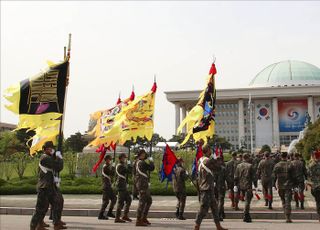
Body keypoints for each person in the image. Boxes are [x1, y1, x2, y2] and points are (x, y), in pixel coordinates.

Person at [30, 141, 64, 230]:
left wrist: (56, 155)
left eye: (52, 148)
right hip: (44, 187)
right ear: (44, 150)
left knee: (58, 202)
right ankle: (34, 226)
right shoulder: (44, 158)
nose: (51, 150)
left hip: (50, 186)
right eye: (49, 149)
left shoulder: (49, 157)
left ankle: (56, 223)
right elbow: (59, 167)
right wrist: (59, 157)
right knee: (41, 209)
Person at [194, 144, 227, 230]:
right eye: (210, 150)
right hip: (206, 188)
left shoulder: (200, 160)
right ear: (208, 150)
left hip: (208, 187)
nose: (211, 151)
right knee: (203, 208)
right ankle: (196, 226)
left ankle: (218, 226)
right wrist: (216, 159)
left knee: (214, 208)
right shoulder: (208, 161)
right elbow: (218, 168)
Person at [272, 152, 295, 223]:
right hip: (288, 185)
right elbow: (293, 176)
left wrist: (273, 184)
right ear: (287, 156)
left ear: (280, 157)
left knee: (283, 200)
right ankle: (288, 217)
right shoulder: (290, 164)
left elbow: (274, 176)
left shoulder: (277, 165)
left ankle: (286, 214)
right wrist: (295, 185)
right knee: (288, 201)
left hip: (280, 185)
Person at [135, 149, 155, 226]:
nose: (144, 155)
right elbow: (151, 168)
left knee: (149, 200)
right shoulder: (141, 163)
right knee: (142, 202)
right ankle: (138, 220)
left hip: (143, 184)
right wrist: (151, 161)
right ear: (140, 155)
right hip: (142, 185)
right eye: (143, 154)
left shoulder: (139, 162)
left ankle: (143, 217)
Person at [234, 153, 255, 223]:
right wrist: (255, 186)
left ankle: (246, 214)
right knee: (247, 201)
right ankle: (246, 215)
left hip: (240, 185)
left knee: (245, 200)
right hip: (248, 185)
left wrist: (235, 185)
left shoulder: (238, 166)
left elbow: (236, 177)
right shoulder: (250, 166)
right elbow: (254, 177)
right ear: (248, 158)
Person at [114, 153, 132, 223]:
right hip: (121, 186)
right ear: (120, 158)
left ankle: (125, 215)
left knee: (129, 199)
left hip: (123, 185)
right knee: (121, 202)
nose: (125, 159)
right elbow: (128, 171)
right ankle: (117, 217)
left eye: (125, 158)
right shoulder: (120, 166)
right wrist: (129, 165)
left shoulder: (122, 165)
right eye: (124, 158)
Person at [98, 155, 116, 220]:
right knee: (106, 201)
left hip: (109, 186)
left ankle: (110, 212)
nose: (110, 160)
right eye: (109, 159)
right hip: (106, 186)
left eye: (110, 159)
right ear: (106, 160)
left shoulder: (107, 166)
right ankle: (100, 215)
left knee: (114, 198)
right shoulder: (105, 167)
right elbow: (111, 173)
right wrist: (113, 167)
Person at [307, 150, 320, 222]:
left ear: (314, 156)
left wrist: (310, 185)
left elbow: (308, 176)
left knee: (318, 202)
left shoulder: (311, 165)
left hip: (315, 187)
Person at [214, 156, 227, 221]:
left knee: (217, 200)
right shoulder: (223, 169)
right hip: (221, 186)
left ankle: (222, 212)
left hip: (214, 187)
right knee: (221, 200)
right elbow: (226, 178)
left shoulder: (213, 169)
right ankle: (219, 215)